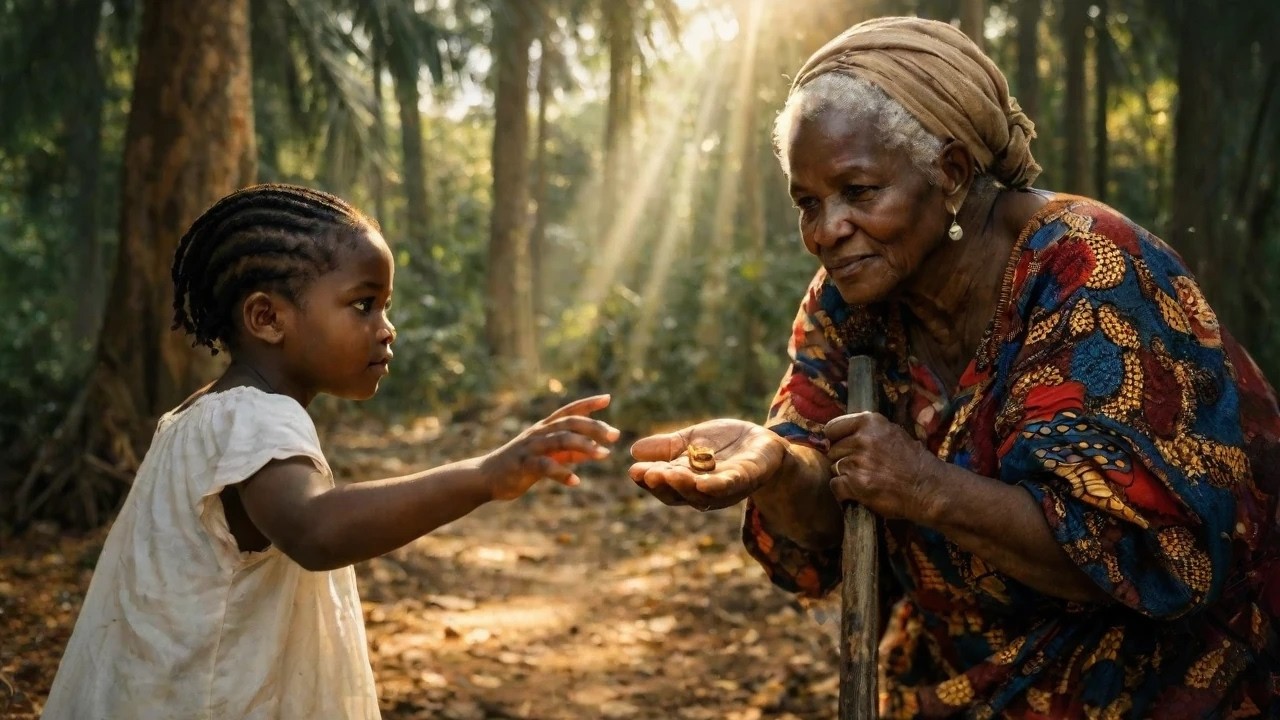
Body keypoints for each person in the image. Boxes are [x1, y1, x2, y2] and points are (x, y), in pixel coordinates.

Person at [628, 16, 1280, 719]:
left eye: (858, 191)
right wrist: (784, 469)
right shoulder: (847, 302)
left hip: (1169, 682)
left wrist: (925, 487)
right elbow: (822, 524)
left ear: (950, 173)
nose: (825, 232)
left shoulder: (1087, 268)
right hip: (963, 673)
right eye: (808, 203)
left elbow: (1134, 557)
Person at [41, 184, 620, 719]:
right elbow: (316, 530)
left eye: (385, 306)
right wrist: (484, 475)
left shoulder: (206, 411)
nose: (387, 327)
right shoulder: (255, 416)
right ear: (267, 317)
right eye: (363, 304)